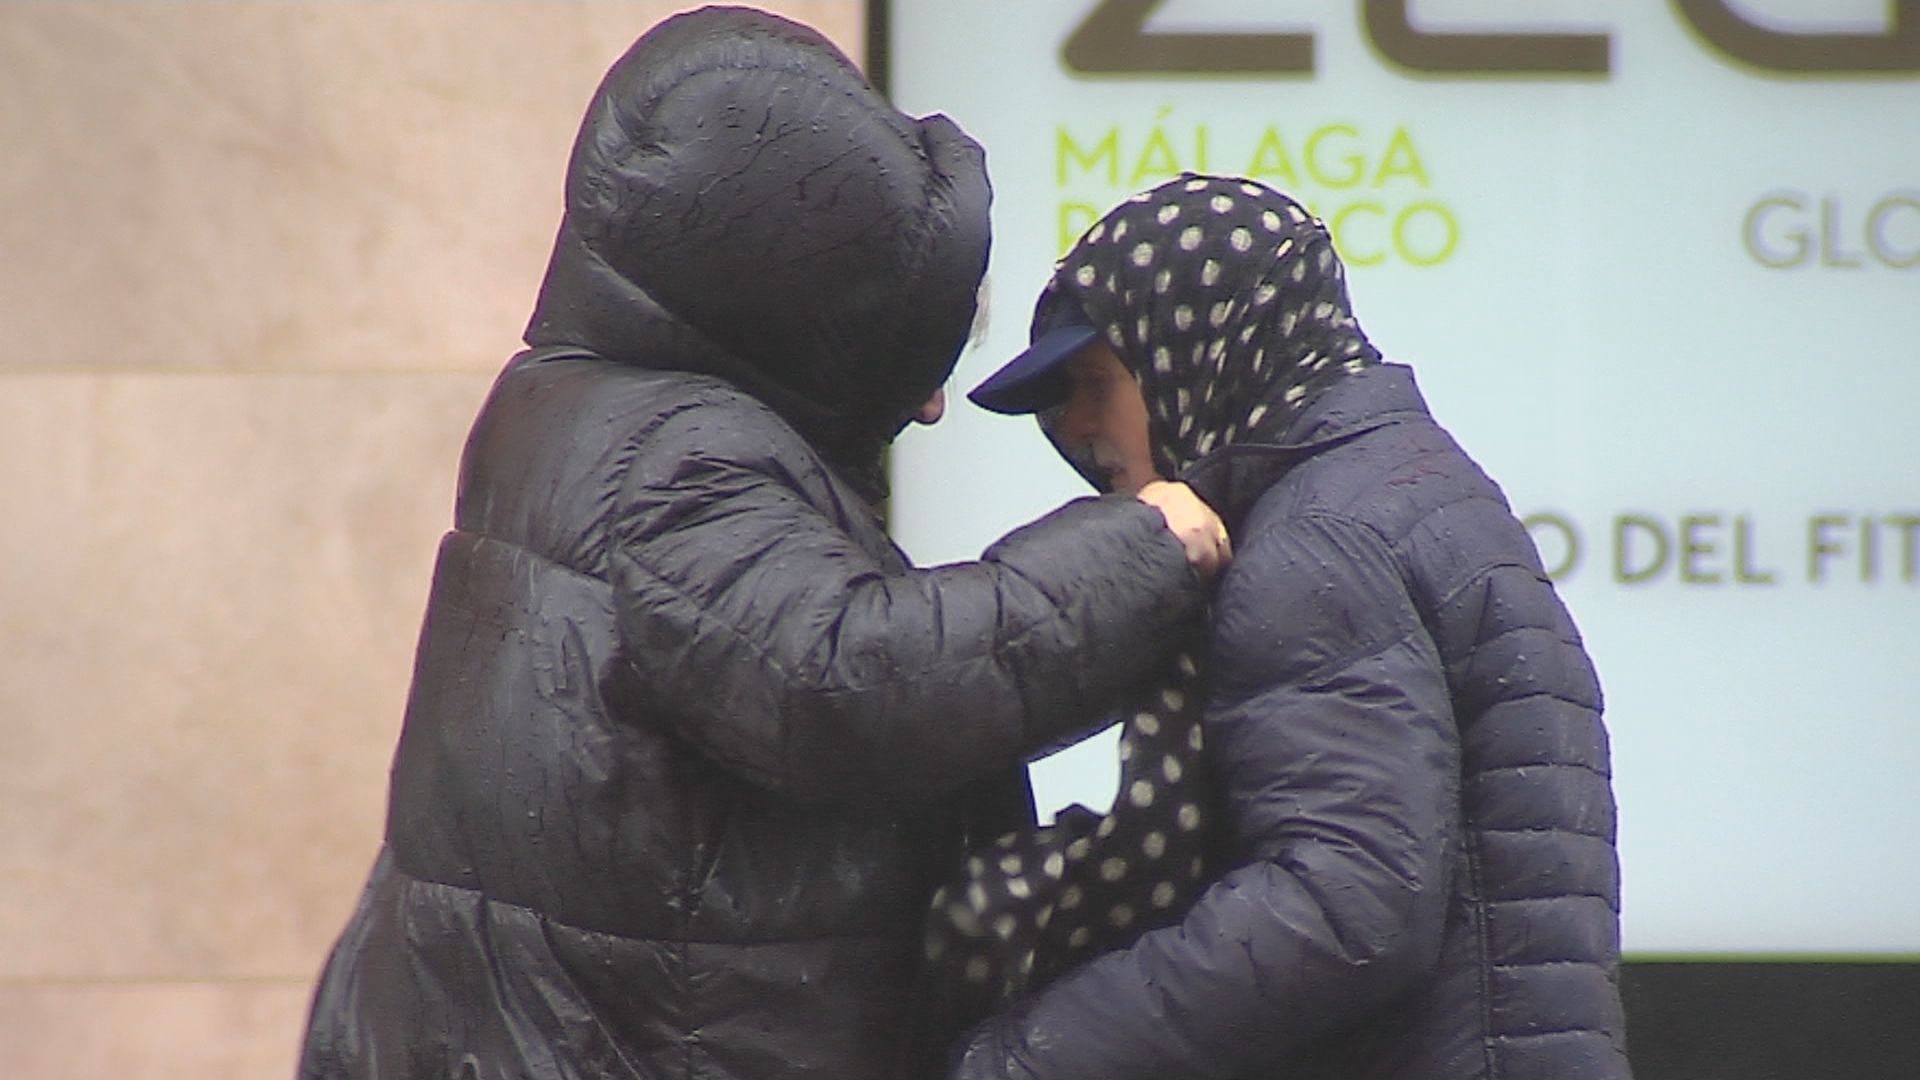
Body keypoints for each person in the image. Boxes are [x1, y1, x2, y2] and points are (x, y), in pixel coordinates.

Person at [296, 11, 1230, 1080]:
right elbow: (847, 682)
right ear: (791, 304)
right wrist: (1144, 552)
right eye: (897, 344)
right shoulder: (669, 456)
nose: (929, 405)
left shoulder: (581, 409)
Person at [948, 173, 1631, 1080]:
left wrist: (1022, 1057)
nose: (1072, 424)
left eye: (1097, 382)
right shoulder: (1405, 490)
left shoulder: (1312, 541)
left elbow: (1347, 908)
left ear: (1198, 349)